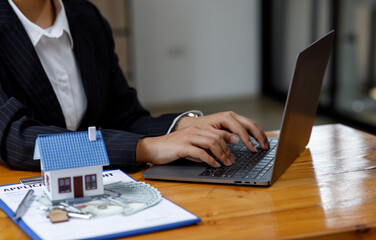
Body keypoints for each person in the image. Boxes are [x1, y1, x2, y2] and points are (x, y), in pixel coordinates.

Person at [0, 0, 269, 172]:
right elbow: (16, 140)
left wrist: (182, 126)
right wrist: (145, 148)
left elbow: (123, 116)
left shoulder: (86, 17)